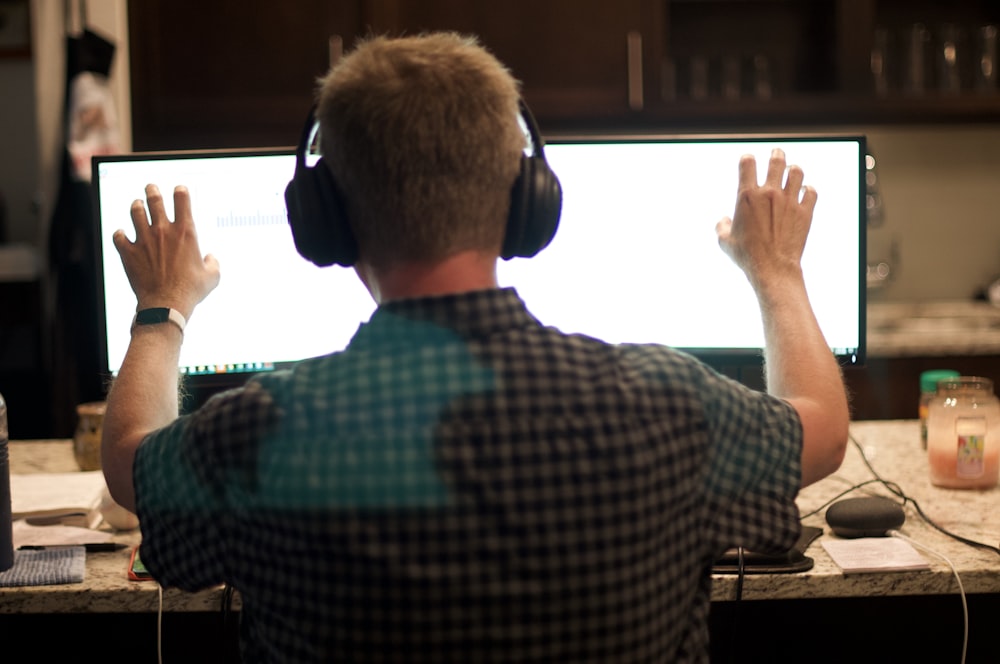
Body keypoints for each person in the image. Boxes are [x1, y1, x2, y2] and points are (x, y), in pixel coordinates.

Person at [101, 32, 849, 663]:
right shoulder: (669, 404)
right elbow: (819, 423)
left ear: (325, 219)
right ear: (527, 202)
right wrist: (777, 272)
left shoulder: (255, 433)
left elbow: (131, 460)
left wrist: (161, 309)